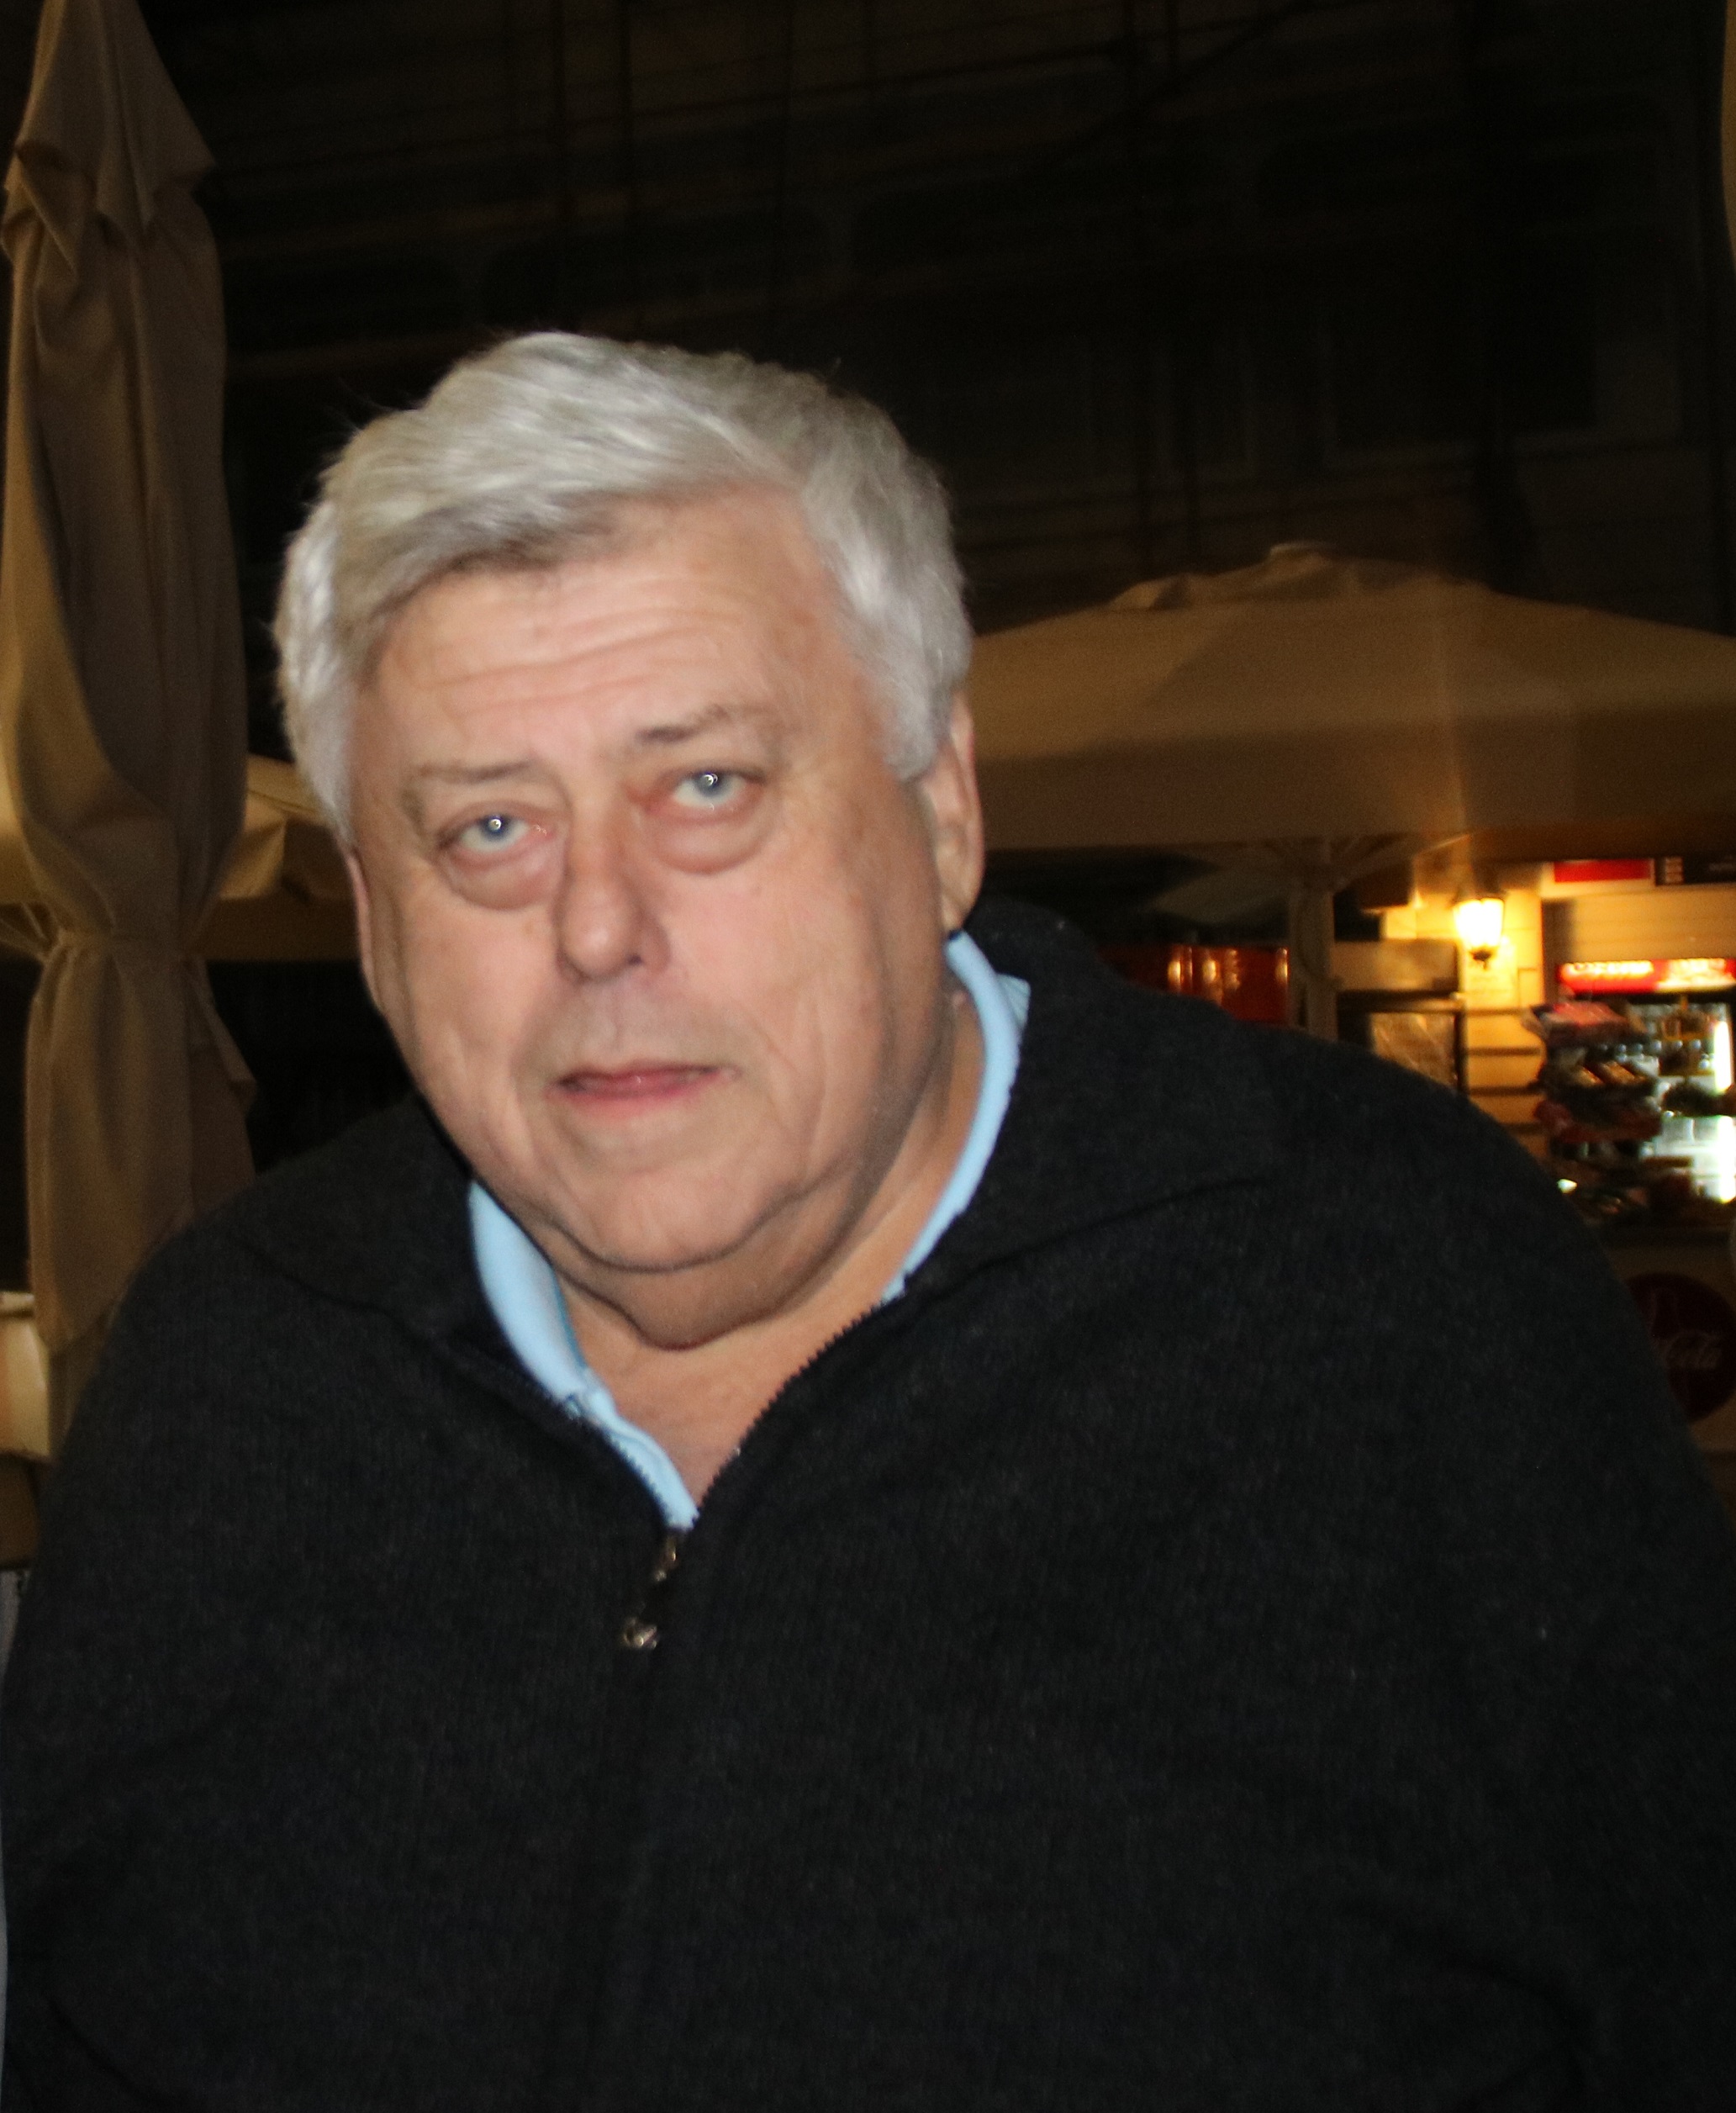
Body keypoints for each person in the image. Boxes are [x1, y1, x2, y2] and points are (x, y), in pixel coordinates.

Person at [3, 333, 1734, 2111]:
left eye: (706, 785)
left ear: (940, 813)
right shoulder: (228, 1377)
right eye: (491, 826)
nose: (596, 928)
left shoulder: (1395, 1300)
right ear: (375, 924)